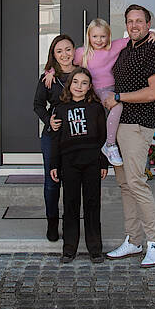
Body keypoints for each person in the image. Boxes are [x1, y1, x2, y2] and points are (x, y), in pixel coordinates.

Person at [104, 4, 155, 267]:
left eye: (139, 21)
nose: (134, 25)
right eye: (130, 21)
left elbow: (154, 93)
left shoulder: (154, 51)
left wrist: (118, 97)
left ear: (148, 23)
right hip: (118, 125)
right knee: (125, 185)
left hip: (137, 125)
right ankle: (133, 240)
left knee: (136, 182)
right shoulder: (126, 48)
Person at [44, 19, 155, 166]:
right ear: (88, 37)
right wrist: (51, 71)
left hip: (113, 89)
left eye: (103, 36)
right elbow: (66, 62)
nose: (99, 40)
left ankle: (140, 136)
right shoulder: (82, 52)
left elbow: (136, 36)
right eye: (95, 36)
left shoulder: (114, 46)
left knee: (127, 101)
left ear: (109, 36)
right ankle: (110, 145)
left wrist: (152, 35)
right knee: (117, 107)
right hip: (98, 90)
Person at [48, 67, 110, 263]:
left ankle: (95, 248)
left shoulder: (96, 108)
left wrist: (103, 162)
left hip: (91, 162)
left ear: (90, 86)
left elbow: (103, 137)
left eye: (84, 83)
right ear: (69, 84)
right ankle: (69, 248)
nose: (79, 86)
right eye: (75, 82)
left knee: (92, 205)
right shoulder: (60, 108)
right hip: (69, 163)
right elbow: (55, 139)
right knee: (70, 205)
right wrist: (54, 164)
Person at [33, 34, 76, 242]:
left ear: (75, 51)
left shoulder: (82, 73)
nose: (64, 54)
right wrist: (48, 119)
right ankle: (52, 222)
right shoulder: (48, 78)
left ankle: (70, 224)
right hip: (53, 136)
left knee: (71, 181)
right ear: (53, 54)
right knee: (52, 181)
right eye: (59, 51)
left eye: (68, 49)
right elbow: (38, 105)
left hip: (75, 136)